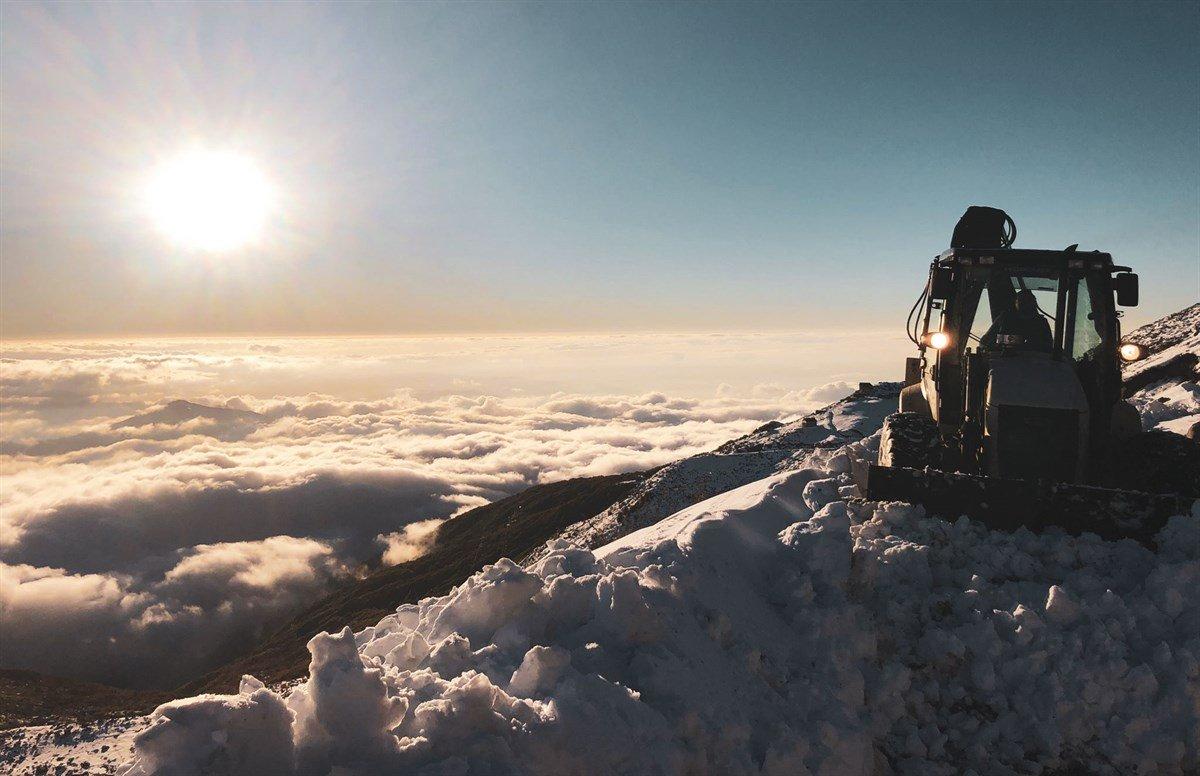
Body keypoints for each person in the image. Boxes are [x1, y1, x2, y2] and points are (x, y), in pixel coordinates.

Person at [980, 289, 1054, 353]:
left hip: (1035, 362)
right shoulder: (1004, 319)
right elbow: (984, 342)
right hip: (1003, 361)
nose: (1025, 304)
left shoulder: (1041, 322)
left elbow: (1048, 347)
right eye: (1022, 301)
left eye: (1027, 301)